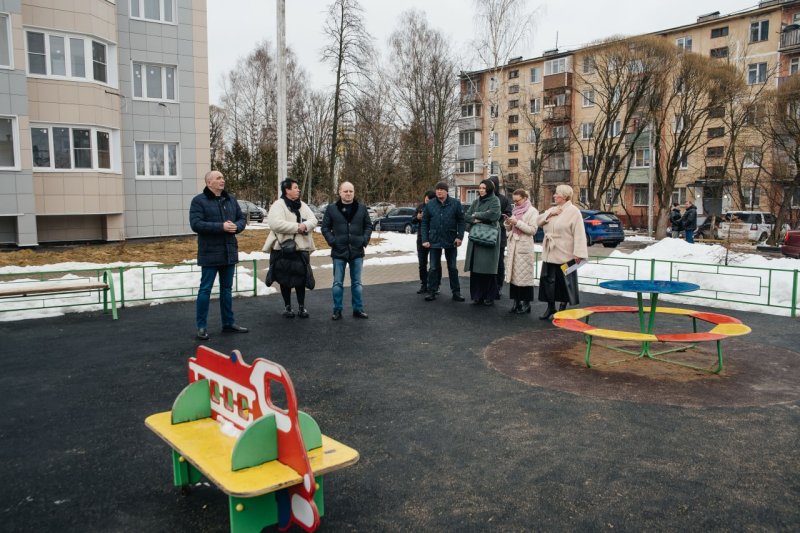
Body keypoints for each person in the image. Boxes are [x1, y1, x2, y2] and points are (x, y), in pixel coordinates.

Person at [189, 170, 249, 340]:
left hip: (229, 252)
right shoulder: (199, 201)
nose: (223, 180)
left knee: (227, 290)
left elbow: (241, 219)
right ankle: (201, 326)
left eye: (223, 177)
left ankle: (228, 323)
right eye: (218, 178)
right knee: (205, 290)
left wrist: (236, 227)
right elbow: (196, 224)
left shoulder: (230, 200)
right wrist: (220, 227)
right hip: (209, 253)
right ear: (209, 183)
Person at [264, 179, 318, 318]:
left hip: (300, 249)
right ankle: (287, 307)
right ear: (287, 190)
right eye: (295, 187)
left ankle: (301, 307)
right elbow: (275, 224)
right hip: (282, 249)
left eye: (298, 187)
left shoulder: (303, 205)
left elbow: (313, 220)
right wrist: (297, 227)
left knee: (301, 278)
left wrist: (305, 226)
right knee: (284, 278)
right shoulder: (278, 205)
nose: (298, 190)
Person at [536, 184, 588, 320]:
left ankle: (562, 310)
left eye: (557, 194)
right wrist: (550, 214)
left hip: (566, 254)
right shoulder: (553, 209)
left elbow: (579, 234)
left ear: (564, 196)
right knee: (548, 281)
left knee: (563, 283)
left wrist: (579, 253)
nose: (554, 195)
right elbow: (538, 221)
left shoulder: (574, 211)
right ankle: (550, 307)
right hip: (550, 252)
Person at [321, 181, 372, 320]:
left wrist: (364, 240)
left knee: (357, 283)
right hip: (339, 251)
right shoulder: (332, 209)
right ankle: (337, 310)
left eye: (351, 191)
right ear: (340, 192)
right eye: (345, 191)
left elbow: (368, 226)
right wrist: (332, 241)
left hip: (357, 251)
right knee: (337, 283)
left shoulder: (361, 208)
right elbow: (325, 228)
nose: (348, 193)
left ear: (354, 192)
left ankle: (358, 309)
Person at [421, 181, 465, 302]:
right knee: (434, 267)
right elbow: (424, 222)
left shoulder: (455, 204)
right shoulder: (430, 205)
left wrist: (459, 237)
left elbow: (461, 221)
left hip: (451, 240)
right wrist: (425, 239)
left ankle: (456, 292)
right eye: (437, 189)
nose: (439, 191)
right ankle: (432, 291)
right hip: (434, 239)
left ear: (446, 191)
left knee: (452, 267)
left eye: (442, 189)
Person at [464, 179, 502, 306]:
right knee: (476, 269)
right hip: (476, 237)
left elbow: (494, 215)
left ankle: (489, 296)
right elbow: (466, 216)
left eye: (483, 188)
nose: (481, 190)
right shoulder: (475, 201)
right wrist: (475, 219)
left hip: (489, 237)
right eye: (480, 187)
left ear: (489, 189)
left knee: (488, 268)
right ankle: (477, 296)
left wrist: (476, 215)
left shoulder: (494, 200)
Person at [503, 189, 539, 314]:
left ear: (525, 198)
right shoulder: (515, 210)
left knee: (524, 277)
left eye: (518, 201)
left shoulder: (532, 211)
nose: (516, 203)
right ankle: (516, 302)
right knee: (514, 276)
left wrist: (517, 222)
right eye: (514, 201)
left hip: (524, 247)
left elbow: (532, 230)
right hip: (514, 246)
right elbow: (511, 229)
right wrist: (508, 223)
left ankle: (526, 303)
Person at [490, 176, 512, 298]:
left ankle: (498, 286)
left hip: (499, 236)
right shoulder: (484, 199)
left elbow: (508, 214)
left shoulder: (503, 199)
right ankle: (489, 285)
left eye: (492, 185)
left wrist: (495, 218)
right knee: (488, 262)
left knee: (499, 262)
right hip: (486, 236)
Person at [415, 190, 438, 294]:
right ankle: (424, 284)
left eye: (429, 199)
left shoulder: (436, 208)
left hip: (433, 238)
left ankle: (433, 285)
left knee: (434, 264)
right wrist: (417, 217)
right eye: (426, 198)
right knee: (422, 263)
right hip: (421, 238)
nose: (427, 200)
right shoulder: (420, 207)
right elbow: (412, 219)